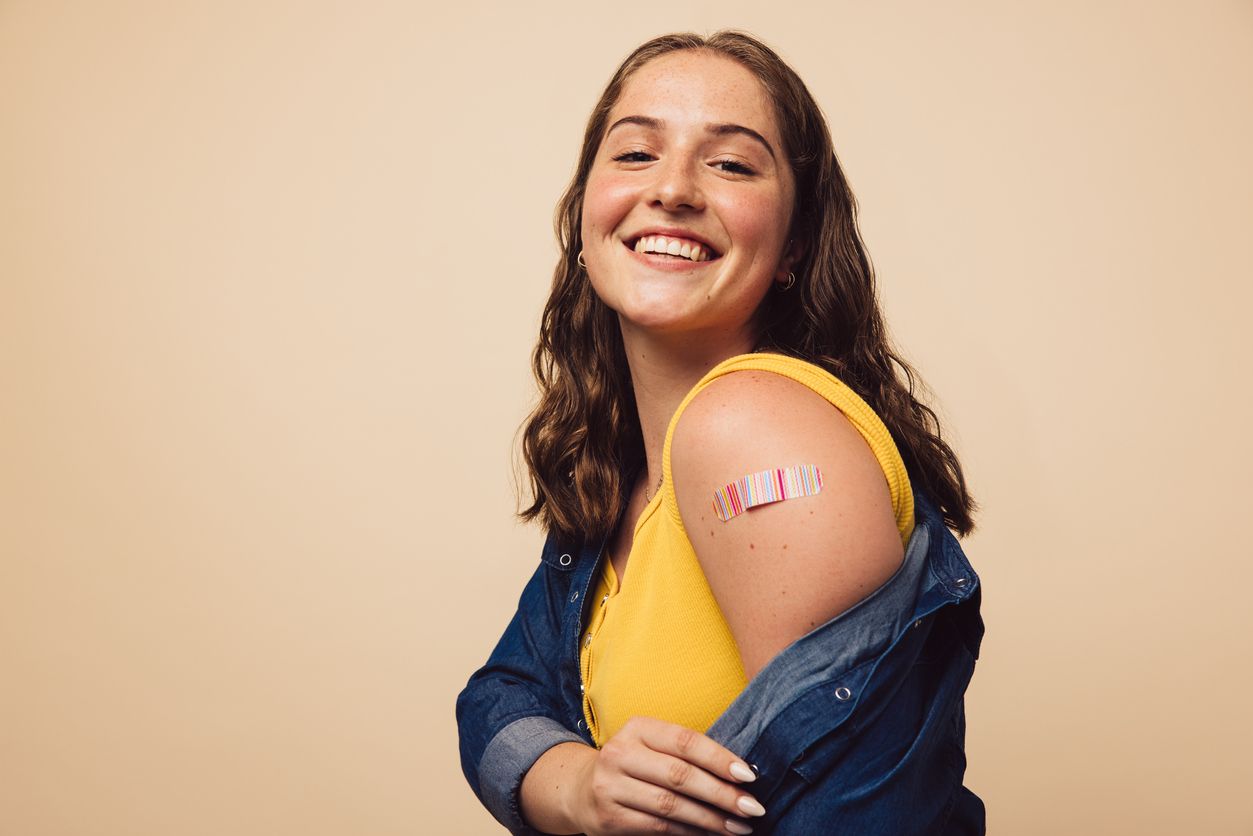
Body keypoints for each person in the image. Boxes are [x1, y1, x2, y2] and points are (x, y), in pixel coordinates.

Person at [457, 30, 985, 835]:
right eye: (634, 154)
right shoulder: (621, 466)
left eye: (731, 164)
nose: (671, 189)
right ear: (583, 210)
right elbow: (499, 698)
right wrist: (582, 787)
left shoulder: (747, 425)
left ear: (794, 247)